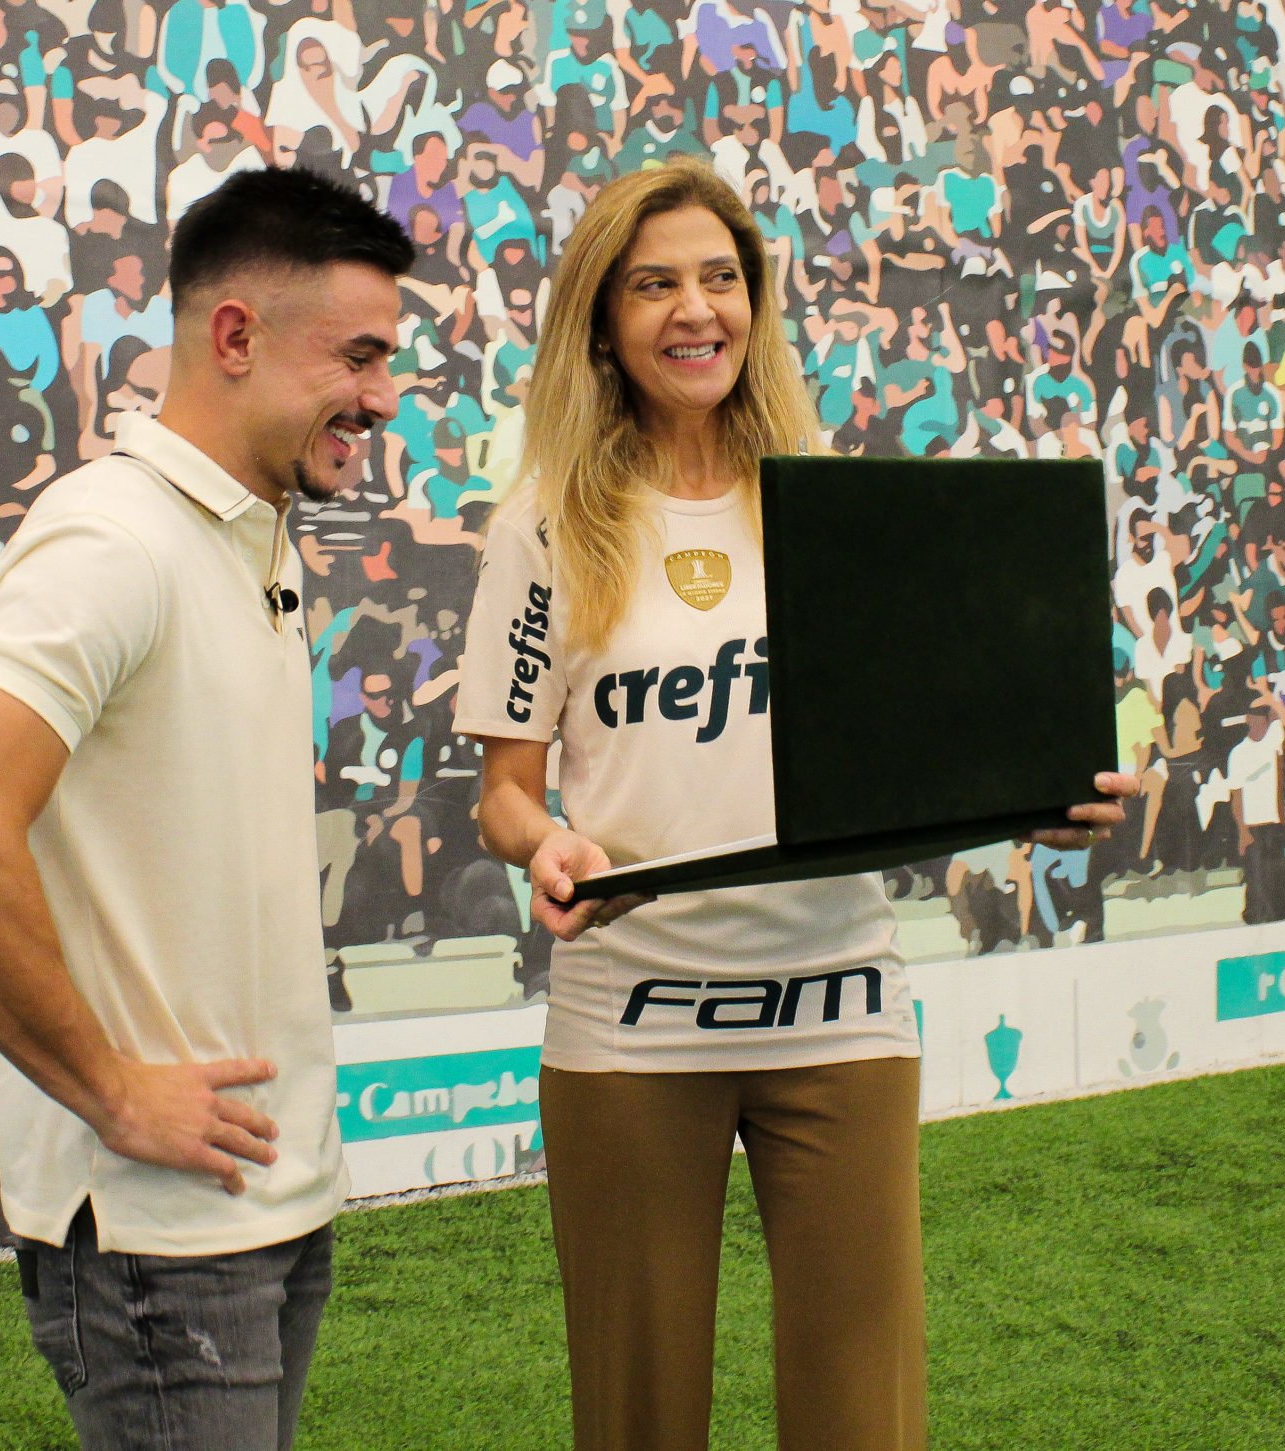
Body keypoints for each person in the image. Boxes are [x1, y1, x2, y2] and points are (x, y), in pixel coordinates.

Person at [454, 159, 1135, 1451]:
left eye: (721, 278)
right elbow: (504, 792)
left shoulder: (833, 507)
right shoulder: (544, 526)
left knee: (864, 1417)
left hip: (841, 1004)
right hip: (631, 1020)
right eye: (654, 284)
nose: (694, 309)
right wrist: (546, 844)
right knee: (637, 1420)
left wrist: (1034, 797)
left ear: (756, 305)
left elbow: (916, 750)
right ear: (601, 318)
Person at [0, 167, 412, 1451]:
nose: (383, 397)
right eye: (356, 357)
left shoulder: (245, 531)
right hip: (156, 1232)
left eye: (386, 359)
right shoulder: (113, 539)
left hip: (254, 1202)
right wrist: (114, 1092)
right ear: (234, 336)